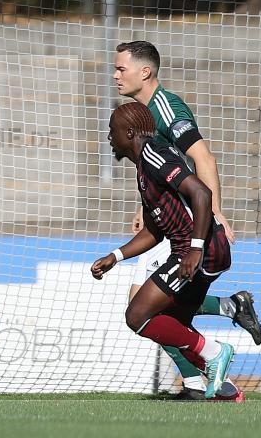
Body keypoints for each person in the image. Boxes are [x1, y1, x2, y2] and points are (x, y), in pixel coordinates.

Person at [114, 40, 261, 400]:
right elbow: (164, 170)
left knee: (145, 308)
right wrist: (147, 208)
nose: (115, 75)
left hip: (190, 226)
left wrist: (214, 214)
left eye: (121, 68)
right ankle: (208, 382)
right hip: (176, 220)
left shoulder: (165, 109)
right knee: (163, 312)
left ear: (144, 72)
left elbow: (204, 159)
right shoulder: (142, 113)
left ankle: (205, 370)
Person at [92, 102, 235, 400]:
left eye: (112, 131)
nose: (108, 138)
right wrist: (115, 257)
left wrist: (195, 249)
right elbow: (155, 230)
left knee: (138, 315)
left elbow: (201, 192)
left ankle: (216, 352)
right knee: (171, 324)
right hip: (198, 248)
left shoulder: (154, 155)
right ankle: (224, 390)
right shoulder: (144, 167)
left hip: (199, 249)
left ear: (129, 132)